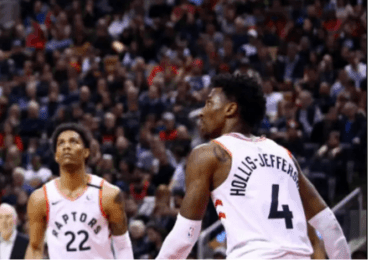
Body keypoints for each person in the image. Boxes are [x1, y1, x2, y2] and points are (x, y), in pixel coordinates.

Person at [156, 73, 351, 260]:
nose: (202, 112)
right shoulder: (284, 154)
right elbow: (329, 224)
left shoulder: (209, 154)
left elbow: (185, 235)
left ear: (230, 109)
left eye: (209, 103)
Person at [25, 123, 133, 259]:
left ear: (86, 152)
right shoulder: (40, 198)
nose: (66, 146)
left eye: (73, 142)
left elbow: (122, 246)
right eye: (61, 143)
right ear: (56, 156)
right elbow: (35, 248)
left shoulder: (108, 194)